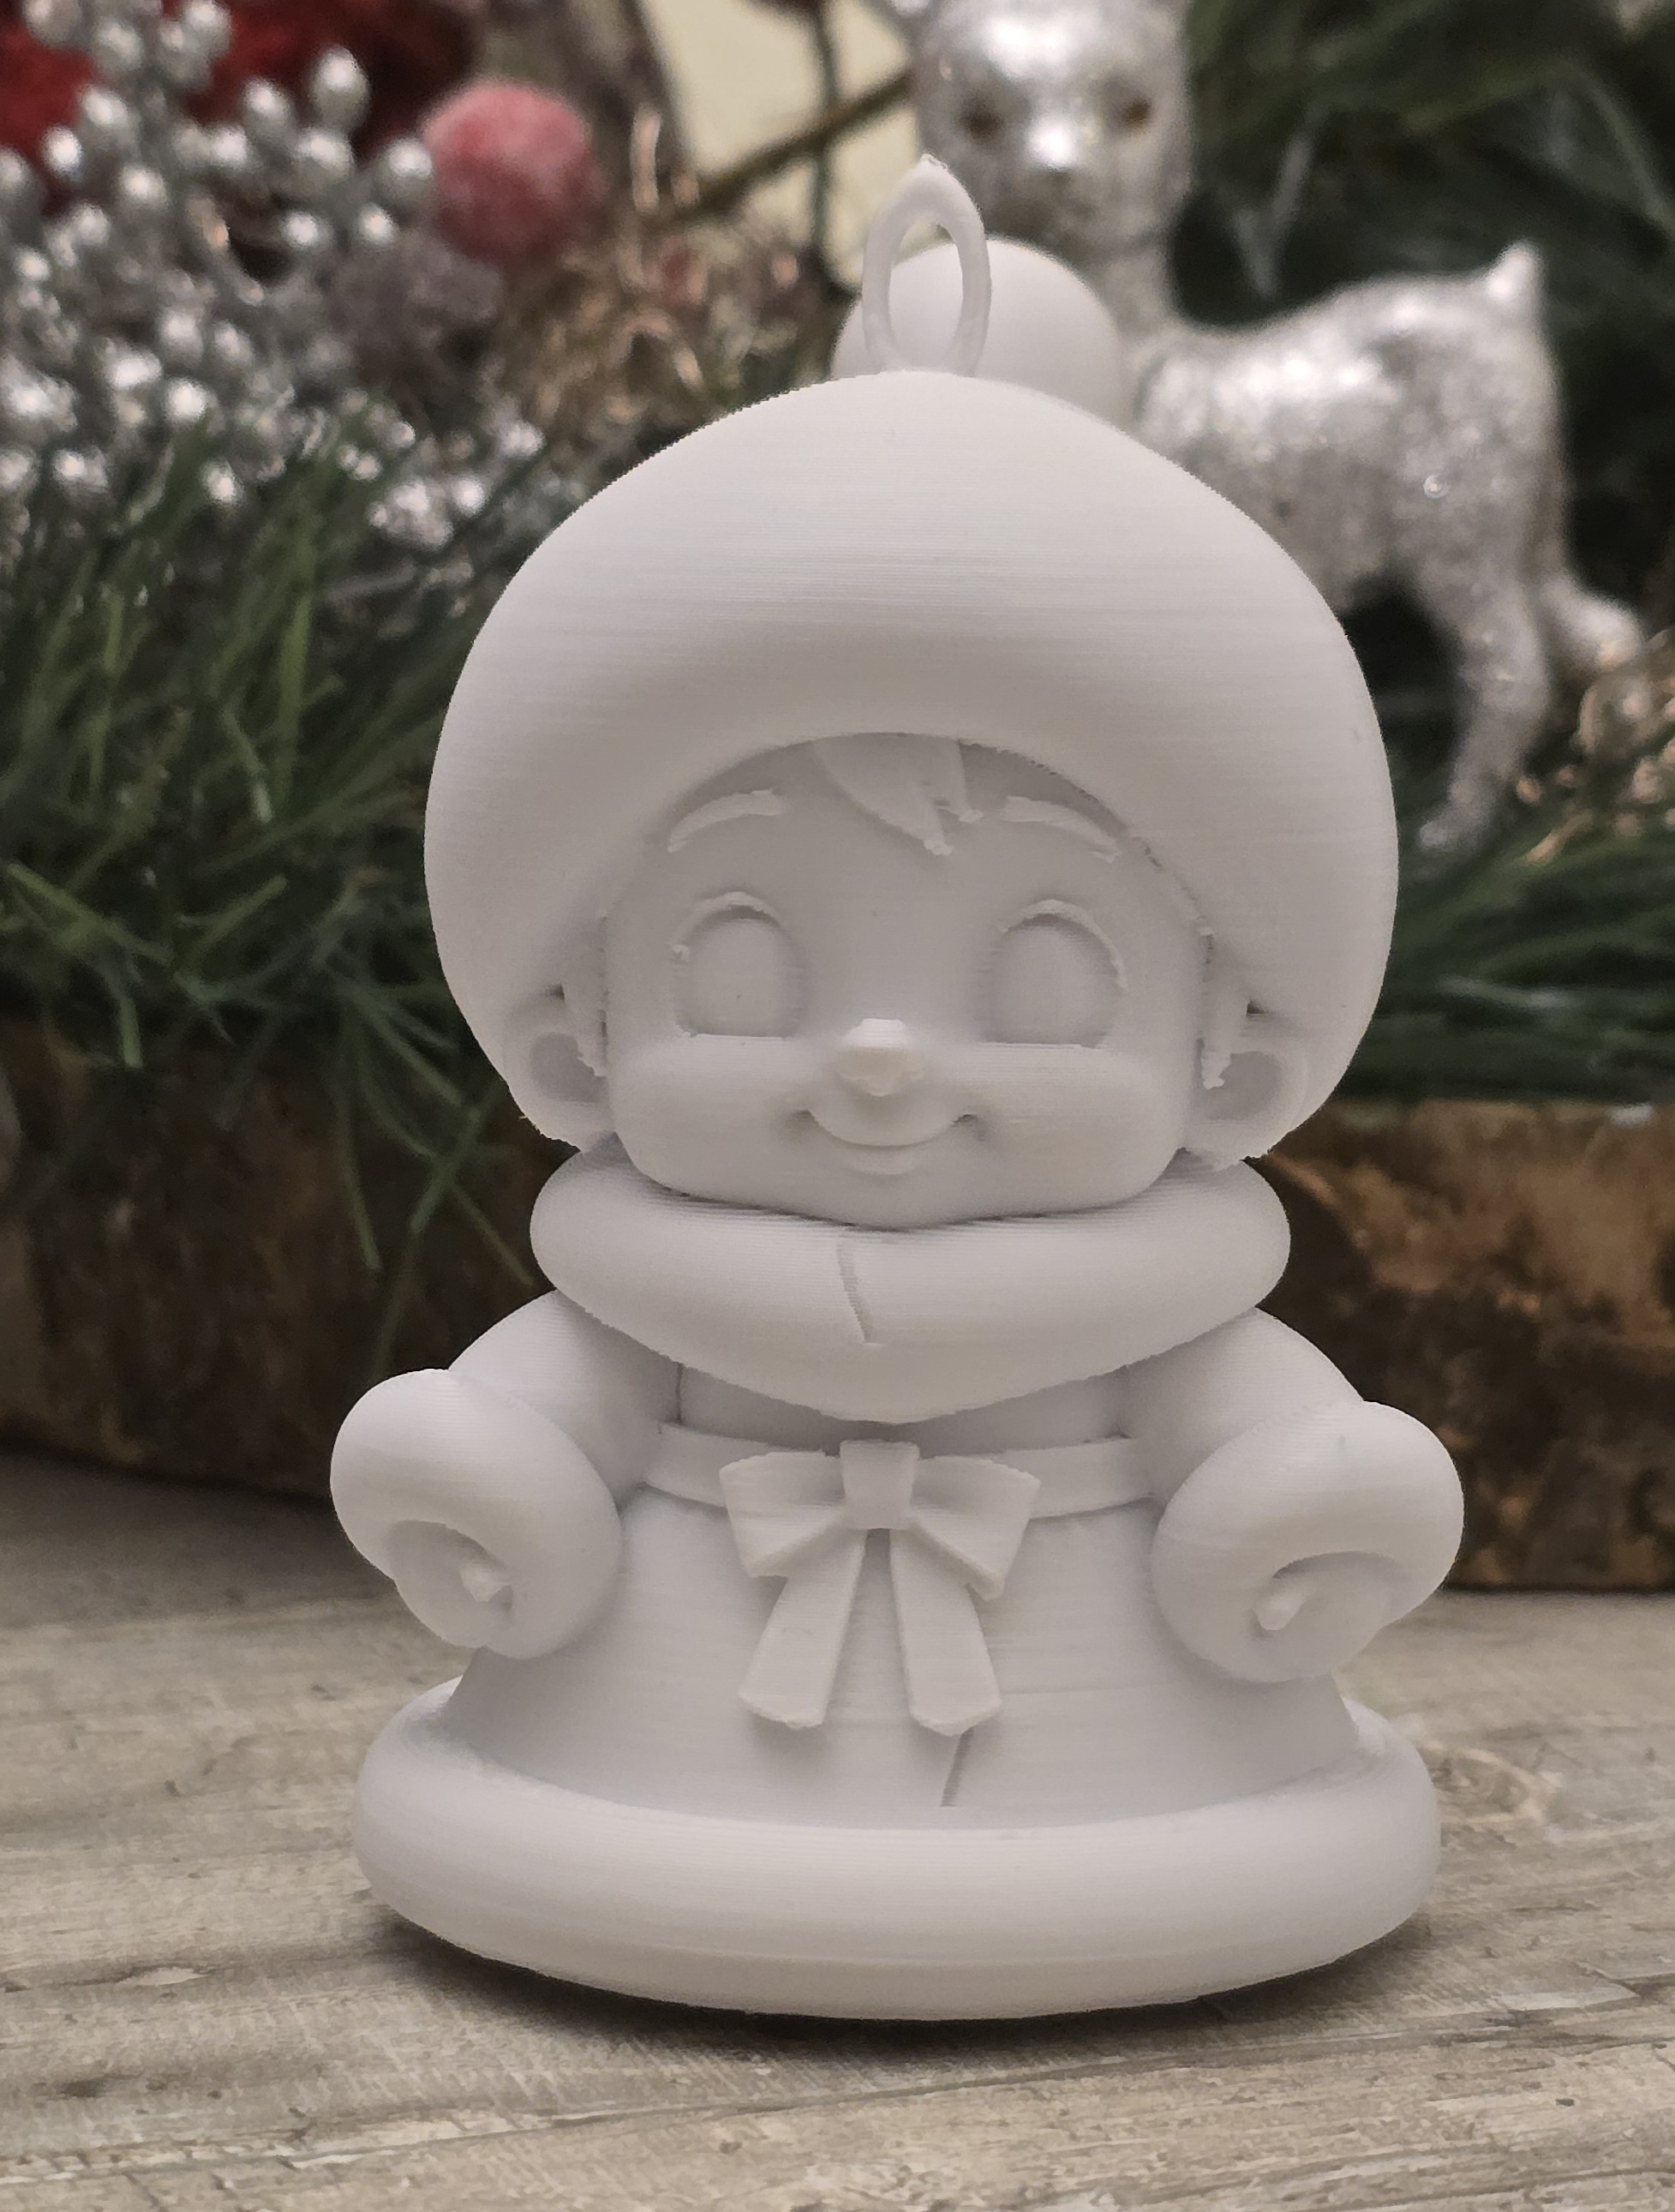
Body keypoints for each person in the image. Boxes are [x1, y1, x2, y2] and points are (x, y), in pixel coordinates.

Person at [331, 167, 1463, 2019]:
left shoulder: (1151, 1336)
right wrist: (491, 1484)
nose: (876, 1055)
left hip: (1152, 1761)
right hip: (617, 1738)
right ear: (583, 1022)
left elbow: (1270, 1448)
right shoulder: (644, 1318)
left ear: (1225, 1044)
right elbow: (534, 1422)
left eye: (1041, 981)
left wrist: (1299, 1511)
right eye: (744, 970)